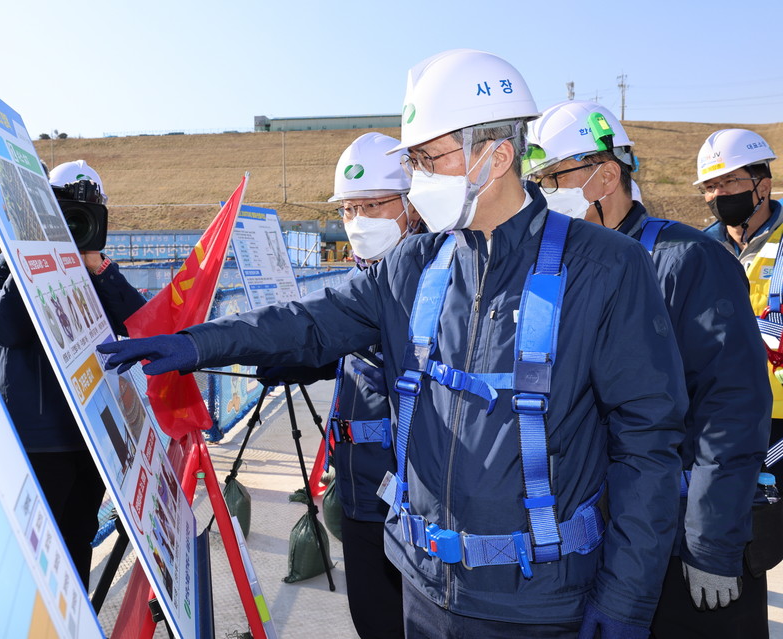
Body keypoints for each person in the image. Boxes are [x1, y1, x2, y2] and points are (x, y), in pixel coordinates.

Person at [98, 49, 687, 638]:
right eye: (415, 161)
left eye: (429, 160)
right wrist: (196, 343)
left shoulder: (607, 268)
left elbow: (648, 448)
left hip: (542, 605)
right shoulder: (416, 265)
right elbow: (308, 322)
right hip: (423, 590)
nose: (417, 179)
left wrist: (626, 600)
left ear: (497, 155)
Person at [524, 101, 771, 639]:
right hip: (603, 539)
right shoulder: (558, 273)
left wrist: (712, 543)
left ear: (606, 175)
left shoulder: (686, 261)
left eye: (550, 178)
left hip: (682, 542)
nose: (540, 194)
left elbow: (731, 407)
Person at [260, 132, 421, 639]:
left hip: (407, 496)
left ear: (411, 204)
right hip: (356, 489)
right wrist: (301, 364)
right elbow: (352, 348)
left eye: (373, 206)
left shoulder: (436, 277)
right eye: (349, 210)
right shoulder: (363, 274)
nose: (359, 223)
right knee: (371, 620)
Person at [0, 160, 145, 588]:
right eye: (63, 213)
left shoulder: (99, 270)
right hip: (37, 440)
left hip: (92, 432)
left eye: (82, 215)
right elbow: (5, 328)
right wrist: (34, 257)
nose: (72, 225)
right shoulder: (4, 265)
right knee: (33, 551)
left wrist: (100, 269)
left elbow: (140, 325)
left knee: (78, 537)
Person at [697, 131, 783, 454]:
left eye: (729, 182)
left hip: (777, 415)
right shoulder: (698, 249)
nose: (719, 193)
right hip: (718, 415)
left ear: (762, 186)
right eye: (710, 186)